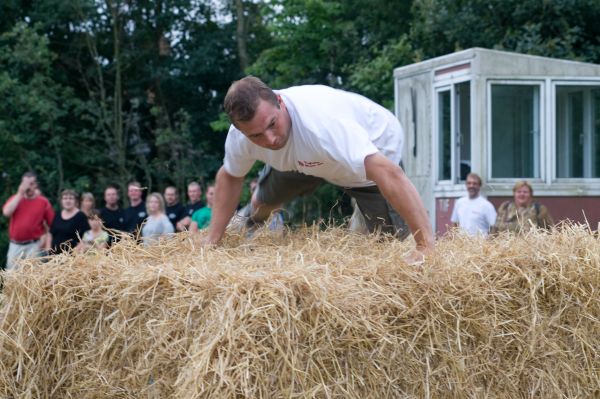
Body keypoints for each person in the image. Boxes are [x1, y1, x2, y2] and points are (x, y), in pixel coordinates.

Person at [205, 76, 434, 263]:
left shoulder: (324, 125)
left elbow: (390, 175)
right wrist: (212, 240)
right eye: (256, 136)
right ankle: (250, 214)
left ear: (280, 102)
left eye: (272, 124)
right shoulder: (241, 138)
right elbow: (230, 176)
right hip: (300, 161)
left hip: (366, 167)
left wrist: (425, 245)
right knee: (262, 202)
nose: (270, 139)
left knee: (388, 248)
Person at [2, 172, 55, 270]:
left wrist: (47, 242)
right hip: (15, 245)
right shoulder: (15, 199)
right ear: (21, 184)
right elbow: (6, 213)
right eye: (26, 184)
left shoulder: (43, 202)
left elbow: (52, 224)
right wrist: (19, 194)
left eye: (31, 184)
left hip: (34, 246)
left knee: (33, 278)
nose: (28, 187)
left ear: (36, 185)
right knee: (12, 276)